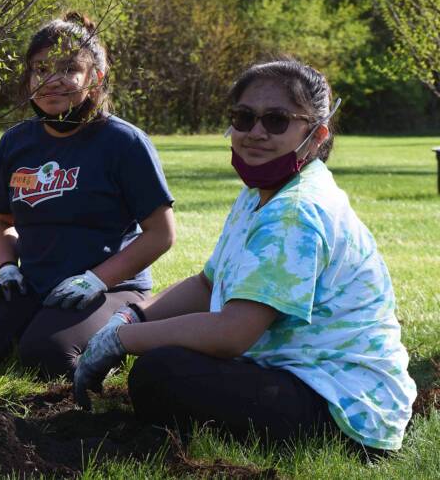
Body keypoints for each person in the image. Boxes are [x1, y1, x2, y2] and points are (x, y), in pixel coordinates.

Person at [73, 59, 417, 453]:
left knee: (161, 372)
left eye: (276, 121)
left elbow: (231, 334)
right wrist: (134, 314)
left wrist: (121, 339)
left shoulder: (296, 211)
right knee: (165, 360)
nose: (255, 133)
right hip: (301, 377)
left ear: (316, 135)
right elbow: (207, 283)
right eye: (243, 117)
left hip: (343, 409)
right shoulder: (262, 191)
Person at [0, 13, 176, 379]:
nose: (52, 80)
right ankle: (38, 321)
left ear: (95, 78)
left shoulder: (124, 142)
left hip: (110, 287)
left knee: (49, 358)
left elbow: (161, 234)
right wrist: (7, 268)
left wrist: (97, 280)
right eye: (40, 70)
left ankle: (121, 327)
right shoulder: (16, 142)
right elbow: (3, 222)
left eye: (69, 68)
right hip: (37, 284)